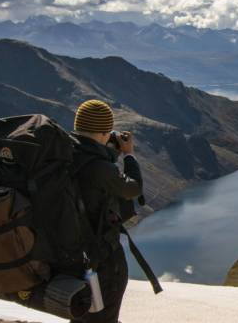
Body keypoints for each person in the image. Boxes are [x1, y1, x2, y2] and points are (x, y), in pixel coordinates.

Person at [70, 99, 143, 323]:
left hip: (70, 257)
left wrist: (110, 154)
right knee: (104, 317)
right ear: (103, 132)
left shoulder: (64, 155)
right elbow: (132, 189)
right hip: (101, 260)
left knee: (82, 314)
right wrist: (128, 155)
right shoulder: (99, 168)